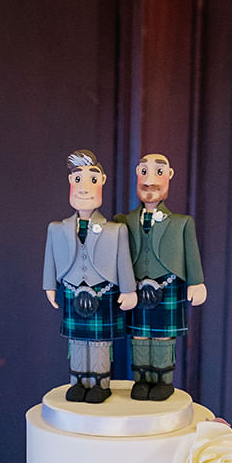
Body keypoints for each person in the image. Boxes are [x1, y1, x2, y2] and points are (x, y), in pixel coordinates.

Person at [43, 150, 137, 403]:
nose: (84, 188)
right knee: (76, 341)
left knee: (99, 343)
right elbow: (50, 259)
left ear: (102, 182)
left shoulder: (116, 230)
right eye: (77, 180)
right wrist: (49, 287)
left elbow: (123, 262)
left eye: (92, 180)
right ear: (70, 183)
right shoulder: (57, 229)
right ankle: (78, 381)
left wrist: (129, 290)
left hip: (104, 292)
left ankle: (99, 383)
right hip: (72, 292)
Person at [117, 151, 207, 400]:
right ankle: (141, 379)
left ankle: (163, 380)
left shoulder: (182, 223)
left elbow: (192, 254)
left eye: (158, 172)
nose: (150, 181)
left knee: (163, 337)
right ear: (137, 175)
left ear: (169, 176)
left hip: (168, 288)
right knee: (139, 335)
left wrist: (196, 282)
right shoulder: (123, 221)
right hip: (136, 289)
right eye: (144, 171)